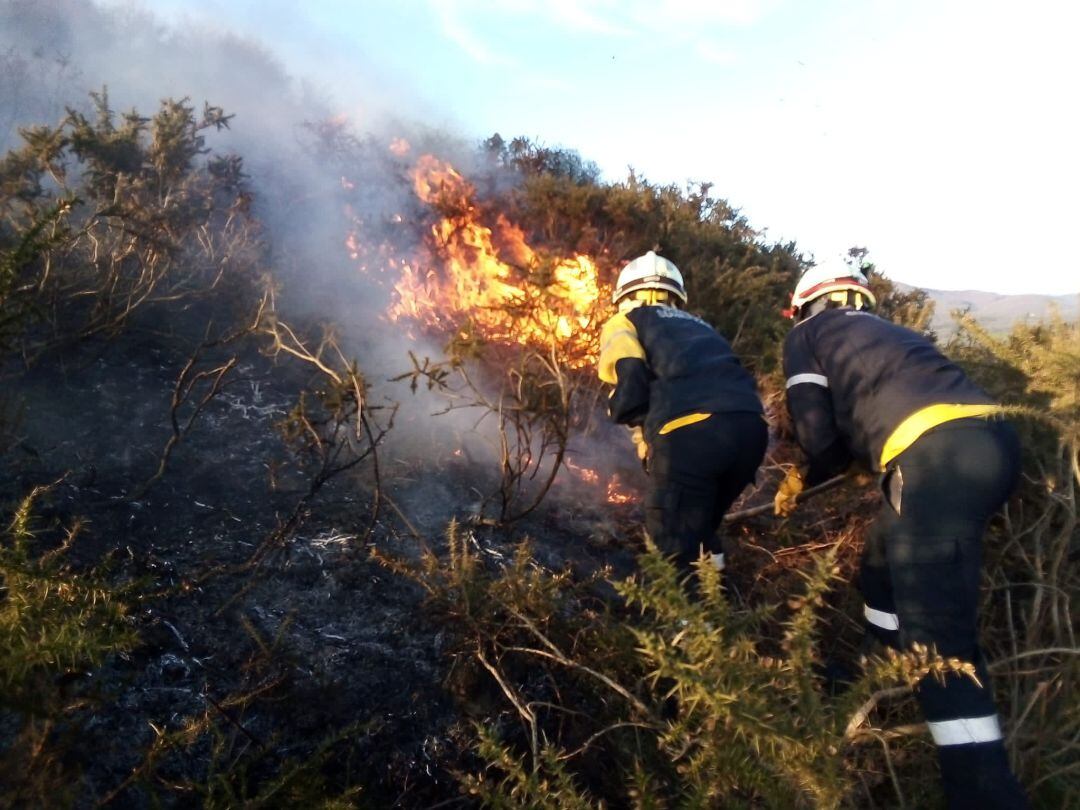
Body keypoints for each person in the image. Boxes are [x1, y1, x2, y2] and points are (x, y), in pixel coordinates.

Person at [775, 261, 1028, 809]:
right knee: (882, 558)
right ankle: (879, 677)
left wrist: (804, 474)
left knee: (938, 641)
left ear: (805, 307)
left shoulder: (807, 334)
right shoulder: (892, 333)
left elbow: (818, 434)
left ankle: (984, 793)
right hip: (992, 444)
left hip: (938, 461)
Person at [597, 251, 767, 575]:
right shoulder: (702, 327)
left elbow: (630, 380)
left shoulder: (625, 321)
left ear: (624, 295)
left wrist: (620, 409)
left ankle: (683, 622)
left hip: (693, 432)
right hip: (750, 428)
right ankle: (715, 605)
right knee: (699, 530)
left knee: (673, 539)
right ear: (677, 297)